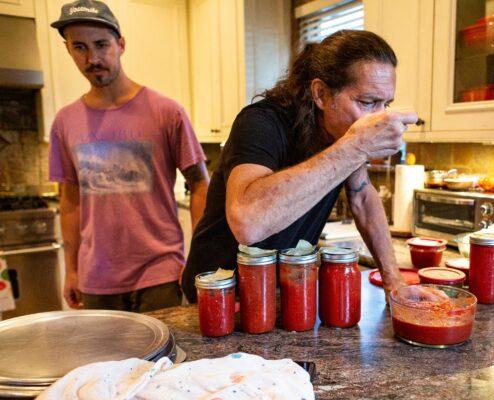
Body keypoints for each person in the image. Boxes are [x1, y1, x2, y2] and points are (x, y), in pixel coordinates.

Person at [182, 30, 416, 302]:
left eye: (385, 104)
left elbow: (362, 197)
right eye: (366, 102)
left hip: (280, 294)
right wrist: (356, 146)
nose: (378, 117)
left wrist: (394, 281)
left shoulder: (342, 135)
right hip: (217, 293)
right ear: (320, 93)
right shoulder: (261, 123)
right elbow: (247, 222)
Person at [49, 0, 210, 312]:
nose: (92, 58)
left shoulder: (167, 112)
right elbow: (69, 201)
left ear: (120, 45)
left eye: (101, 45)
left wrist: (198, 262)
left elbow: (201, 185)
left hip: (160, 274)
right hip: (96, 278)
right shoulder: (64, 122)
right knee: (105, 362)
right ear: (68, 50)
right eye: (79, 47)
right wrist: (71, 269)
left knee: (164, 362)